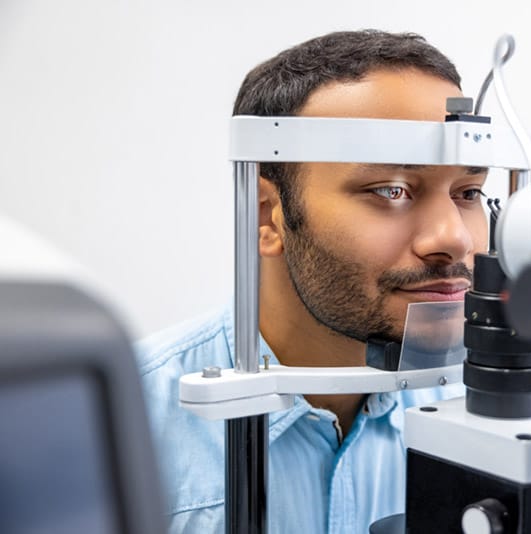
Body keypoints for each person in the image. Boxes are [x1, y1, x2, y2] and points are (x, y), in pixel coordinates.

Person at [136, 29, 488, 534]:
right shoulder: (114, 423)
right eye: (391, 189)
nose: (453, 238)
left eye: (469, 192)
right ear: (267, 214)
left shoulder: (479, 414)